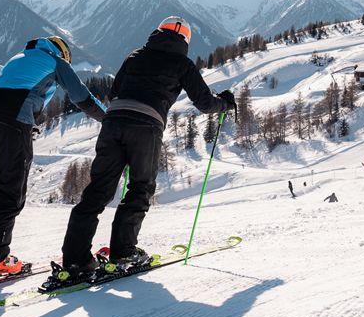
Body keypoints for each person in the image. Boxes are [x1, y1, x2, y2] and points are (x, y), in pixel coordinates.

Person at [50, 17, 234, 286]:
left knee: (97, 191)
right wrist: (225, 104)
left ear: (157, 31)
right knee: (140, 188)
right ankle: (123, 254)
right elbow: (205, 103)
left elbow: (114, 93)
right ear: (185, 40)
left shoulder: (134, 56)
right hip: (146, 127)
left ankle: (75, 261)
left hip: (113, 123)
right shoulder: (182, 63)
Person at [0, 36, 106, 291]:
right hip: (12, 120)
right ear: (63, 53)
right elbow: (81, 96)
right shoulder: (55, 60)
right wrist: (109, 118)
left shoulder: (18, 59)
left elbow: (15, 94)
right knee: (10, 192)